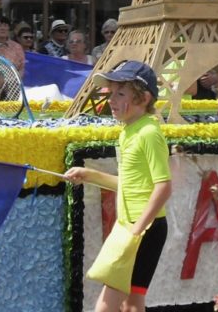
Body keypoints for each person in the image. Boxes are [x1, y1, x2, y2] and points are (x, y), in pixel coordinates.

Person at [65, 61, 171, 312]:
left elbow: (163, 187)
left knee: (107, 305)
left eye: (120, 93)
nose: (111, 100)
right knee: (131, 304)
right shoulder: (128, 131)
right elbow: (131, 186)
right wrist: (90, 175)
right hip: (134, 227)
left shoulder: (148, 133)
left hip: (142, 229)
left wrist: (136, 230)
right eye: (111, 93)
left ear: (144, 98)